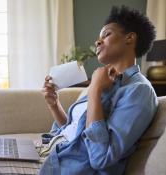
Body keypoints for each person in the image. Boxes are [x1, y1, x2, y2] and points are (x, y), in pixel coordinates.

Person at [40, 5, 158, 175]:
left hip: (63, 169)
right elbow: (74, 133)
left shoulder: (139, 91)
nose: (97, 41)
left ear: (130, 38)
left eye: (107, 34)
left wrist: (94, 88)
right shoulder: (103, 80)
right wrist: (54, 104)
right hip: (51, 155)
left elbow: (100, 157)